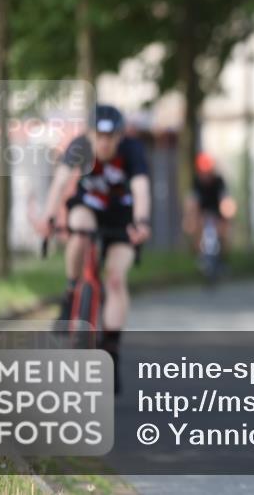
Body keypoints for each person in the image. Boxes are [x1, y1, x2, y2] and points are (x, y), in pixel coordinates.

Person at [35, 104, 151, 389]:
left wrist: (142, 222)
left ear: (121, 137)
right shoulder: (80, 147)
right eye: (99, 136)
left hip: (122, 217)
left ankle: (111, 351)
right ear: (89, 134)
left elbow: (141, 189)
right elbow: (61, 183)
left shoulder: (132, 151)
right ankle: (72, 287)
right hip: (89, 208)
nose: (104, 143)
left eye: (111, 137)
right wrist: (49, 217)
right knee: (79, 229)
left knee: (114, 279)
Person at [183, 151, 237, 255]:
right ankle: (199, 253)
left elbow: (225, 200)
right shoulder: (197, 183)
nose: (206, 175)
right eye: (203, 172)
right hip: (201, 216)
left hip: (218, 215)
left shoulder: (219, 182)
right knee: (192, 220)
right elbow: (192, 202)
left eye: (208, 171)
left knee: (226, 223)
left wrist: (227, 216)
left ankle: (222, 255)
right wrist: (191, 218)